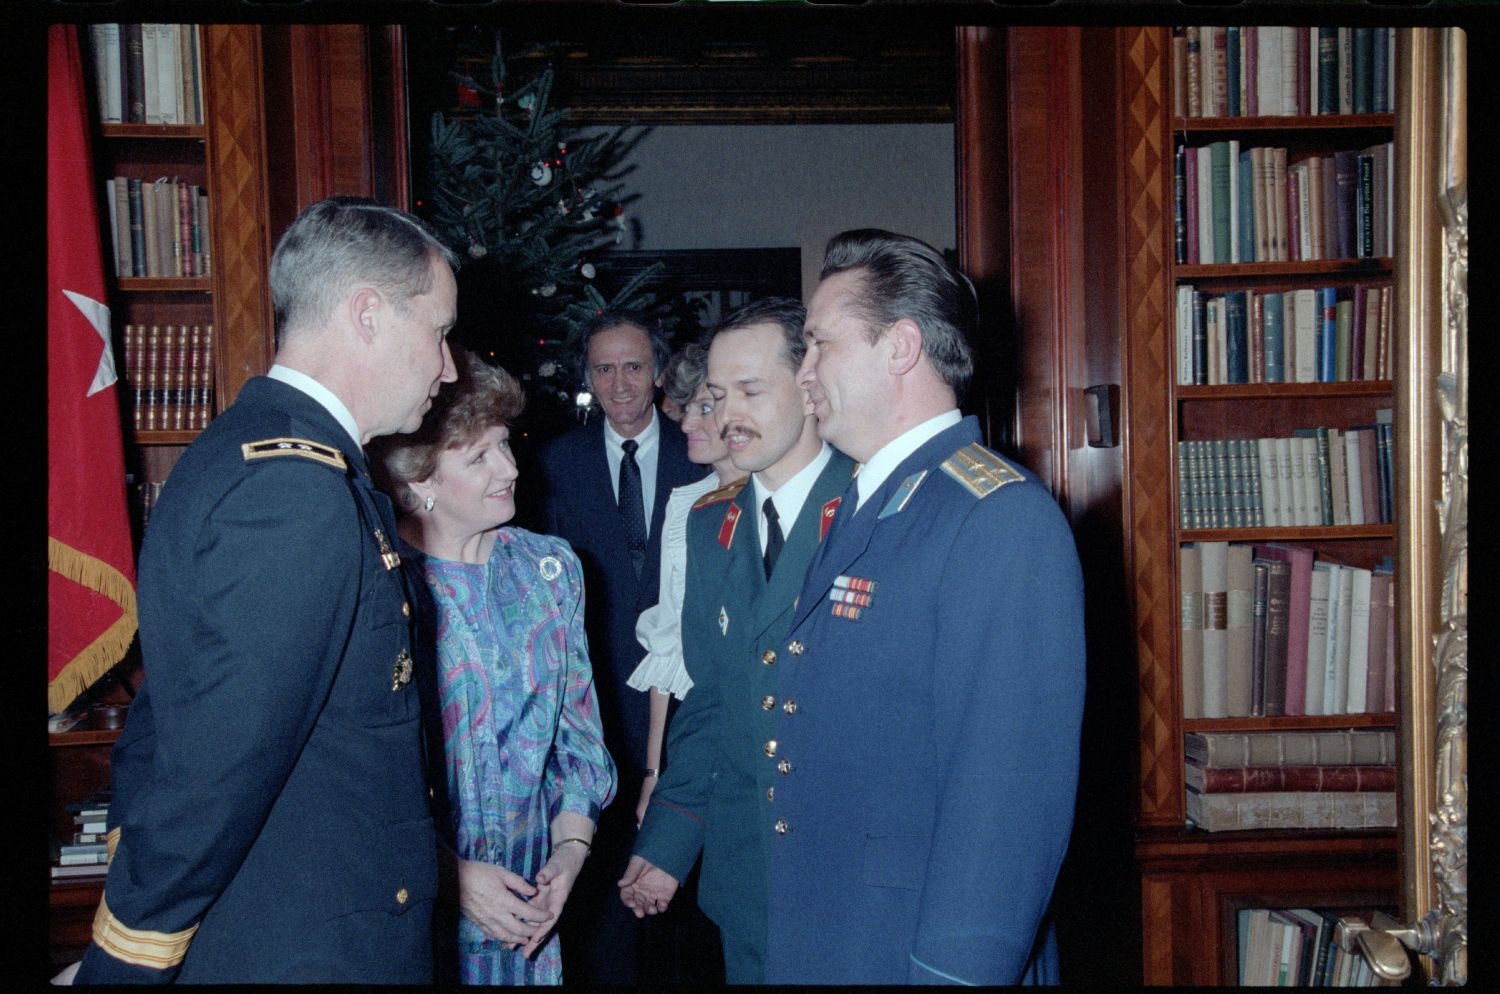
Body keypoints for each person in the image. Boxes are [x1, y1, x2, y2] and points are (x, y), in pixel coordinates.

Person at [72, 197, 459, 983]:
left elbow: (170, 709)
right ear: (367, 314)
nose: (449, 368)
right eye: (441, 332)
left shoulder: (237, 450)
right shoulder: (296, 492)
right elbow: (217, 762)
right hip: (308, 947)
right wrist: (125, 959)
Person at [762, 229, 1086, 985]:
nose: (804, 371)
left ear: (900, 346)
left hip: (913, 952)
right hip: (834, 932)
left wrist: (956, 974)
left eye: (819, 345)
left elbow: (1007, 803)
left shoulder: (998, 517)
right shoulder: (873, 499)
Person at [619, 297, 857, 983]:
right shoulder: (710, 524)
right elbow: (713, 701)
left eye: (752, 390)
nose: (727, 415)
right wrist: (669, 842)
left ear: (809, 388)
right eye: (717, 396)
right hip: (746, 874)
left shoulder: (874, 508)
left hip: (847, 875)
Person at [369, 350, 616, 985]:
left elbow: (579, 740)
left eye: (504, 445)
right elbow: (350, 779)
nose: (509, 468)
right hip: (413, 911)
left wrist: (570, 852)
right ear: (417, 482)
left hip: (531, 911)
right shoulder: (376, 580)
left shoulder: (549, 569)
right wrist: (449, 875)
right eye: (478, 457)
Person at [535, 310, 702, 983]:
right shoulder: (555, 464)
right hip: (597, 706)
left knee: (683, 887)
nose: (620, 383)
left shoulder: (701, 450)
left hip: (686, 702)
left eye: (633, 366)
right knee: (608, 890)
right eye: (604, 368)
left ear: (658, 371)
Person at [627, 342, 745, 827]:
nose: (685, 422)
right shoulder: (686, 504)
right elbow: (667, 643)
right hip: (696, 730)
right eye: (686, 408)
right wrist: (654, 773)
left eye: (704, 408)